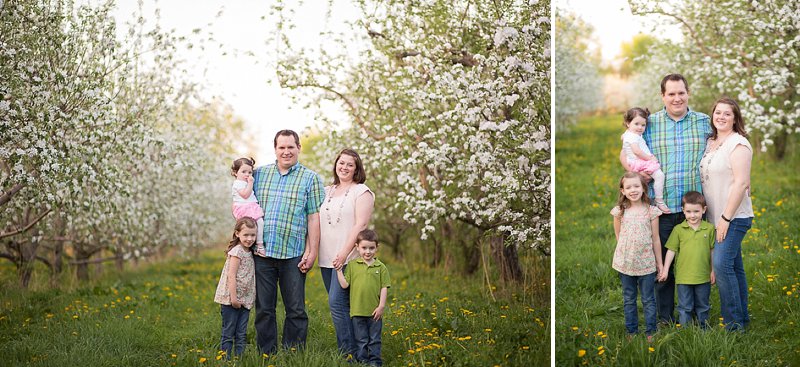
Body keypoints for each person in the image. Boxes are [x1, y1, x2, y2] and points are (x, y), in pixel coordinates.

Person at [622, 73, 711, 324]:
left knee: (693, 264)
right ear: (663, 96)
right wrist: (637, 175)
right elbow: (627, 151)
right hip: (659, 209)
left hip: (692, 209)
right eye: (671, 93)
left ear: (688, 93)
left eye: (681, 92)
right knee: (662, 266)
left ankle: (694, 314)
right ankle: (664, 317)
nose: (676, 98)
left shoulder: (704, 122)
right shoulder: (649, 124)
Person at [251, 130, 326, 354]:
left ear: (298, 148)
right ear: (275, 149)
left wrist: (312, 251)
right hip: (262, 253)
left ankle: (293, 353)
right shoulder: (259, 175)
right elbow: (244, 206)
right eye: (282, 147)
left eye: (290, 147)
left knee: (295, 309)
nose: (286, 152)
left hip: (293, 253)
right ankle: (267, 353)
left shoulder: (310, 178)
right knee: (264, 308)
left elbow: (314, 217)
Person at [699, 97, 754, 331]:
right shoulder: (710, 142)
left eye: (727, 114)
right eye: (717, 112)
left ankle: (734, 325)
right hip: (715, 216)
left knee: (721, 266)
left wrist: (724, 219)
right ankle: (742, 317)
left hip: (734, 216)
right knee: (734, 266)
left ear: (735, 118)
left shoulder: (738, 144)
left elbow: (741, 183)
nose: (721, 117)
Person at [319, 148, 375, 358]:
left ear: (356, 168)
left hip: (349, 257)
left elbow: (361, 224)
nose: (344, 167)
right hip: (326, 257)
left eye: (349, 164)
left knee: (337, 303)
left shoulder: (362, 192)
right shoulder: (326, 191)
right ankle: (362, 349)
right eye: (341, 163)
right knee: (346, 306)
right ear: (336, 164)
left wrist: (343, 253)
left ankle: (349, 354)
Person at [611, 172, 663, 341]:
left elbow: (656, 239)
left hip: (647, 263)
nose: (633, 190)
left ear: (643, 188)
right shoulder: (620, 211)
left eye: (636, 186)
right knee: (629, 299)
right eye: (628, 187)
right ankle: (631, 331)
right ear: (623, 191)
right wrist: (626, 252)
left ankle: (651, 331)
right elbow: (619, 236)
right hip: (625, 263)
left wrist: (660, 264)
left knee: (648, 299)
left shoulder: (651, 211)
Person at [658, 191, 715, 328]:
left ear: (704, 210)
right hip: (683, 277)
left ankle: (704, 329)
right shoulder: (678, 229)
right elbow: (671, 250)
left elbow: (712, 251)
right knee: (684, 306)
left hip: (703, 276)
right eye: (688, 211)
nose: (692, 215)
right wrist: (665, 270)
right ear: (683, 211)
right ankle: (685, 332)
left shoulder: (709, 228)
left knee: (703, 305)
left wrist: (713, 270)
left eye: (696, 211)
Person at [336, 229, 390, 366]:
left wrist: (381, 306)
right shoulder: (353, 266)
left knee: (375, 339)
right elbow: (344, 285)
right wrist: (338, 270)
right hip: (357, 311)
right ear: (357, 247)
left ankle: (375, 361)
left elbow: (384, 287)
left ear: (377, 247)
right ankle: (363, 361)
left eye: (371, 248)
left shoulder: (381, 267)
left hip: (375, 312)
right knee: (361, 339)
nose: (368, 251)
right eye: (364, 248)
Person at [213, 217, 257, 358]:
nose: (249, 239)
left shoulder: (251, 252)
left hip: (245, 300)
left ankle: (239, 359)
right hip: (231, 299)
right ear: (237, 233)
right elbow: (231, 276)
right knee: (229, 331)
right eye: (246, 235)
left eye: (253, 235)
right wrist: (233, 298)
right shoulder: (237, 251)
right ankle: (226, 359)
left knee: (241, 332)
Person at [620, 107, 670, 213]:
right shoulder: (633, 137)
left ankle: (640, 204)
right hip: (641, 162)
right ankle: (659, 200)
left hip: (637, 162)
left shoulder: (629, 134)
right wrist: (650, 158)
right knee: (659, 176)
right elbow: (637, 151)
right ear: (628, 123)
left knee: (642, 183)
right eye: (636, 124)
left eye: (643, 125)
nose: (640, 127)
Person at [231, 157, 266, 256]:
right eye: (243, 172)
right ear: (235, 172)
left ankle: (256, 246)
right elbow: (245, 195)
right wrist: (250, 183)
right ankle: (257, 246)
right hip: (244, 208)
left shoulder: (244, 182)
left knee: (257, 224)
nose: (247, 174)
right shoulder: (237, 183)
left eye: (250, 172)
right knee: (248, 227)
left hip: (250, 206)